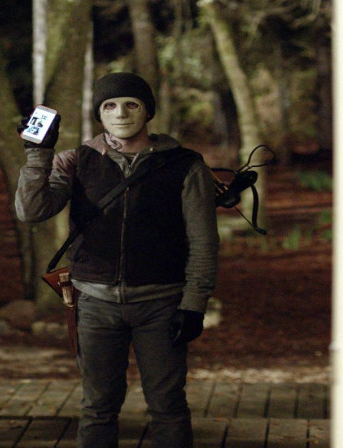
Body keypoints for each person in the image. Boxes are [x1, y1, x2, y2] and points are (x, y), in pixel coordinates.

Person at [15, 72, 219, 447]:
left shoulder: (184, 165)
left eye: (131, 104)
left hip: (161, 304)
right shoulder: (76, 160)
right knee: (97, 407)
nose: (120, 113)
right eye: (109, 105)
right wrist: (37, 153)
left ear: (148, 111)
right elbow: (32, 210)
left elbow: (203, 241)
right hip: (95, 303)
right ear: (99, 113)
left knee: (168, 407)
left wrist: (194, 305)